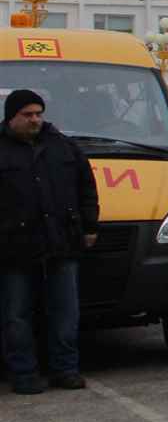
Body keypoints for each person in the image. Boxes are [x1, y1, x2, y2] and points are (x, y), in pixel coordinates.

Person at [0, 90, 98, 394]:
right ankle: (23, 373)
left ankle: (65, 370)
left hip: (61, 242)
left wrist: (89, 225)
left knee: (66, 312)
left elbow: (86, 187)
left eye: (38, 113)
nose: (35, 120)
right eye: (27, 114)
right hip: (14, 247)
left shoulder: (63, 146)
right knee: (16, 315)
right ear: (11, 117)